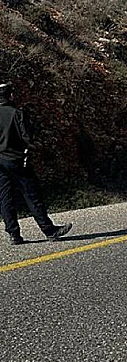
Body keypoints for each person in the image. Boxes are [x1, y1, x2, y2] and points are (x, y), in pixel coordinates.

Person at [0, 83, 72, 245]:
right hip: (18, 160)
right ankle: (49, 230)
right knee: (31, 196)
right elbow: (27, 138)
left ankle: (13, 234)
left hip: (0, 162)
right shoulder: (17, 113)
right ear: (10, 95)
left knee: (5, 198)